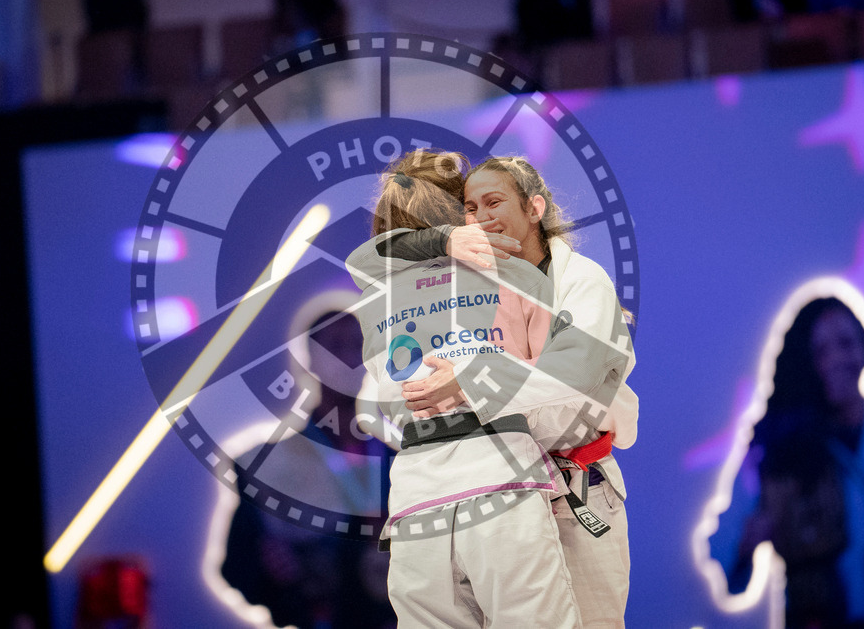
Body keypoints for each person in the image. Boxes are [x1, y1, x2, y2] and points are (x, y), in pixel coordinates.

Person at [348, 150, 638, 627]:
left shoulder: (580, 278)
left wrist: (466, 383)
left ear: (535, 208)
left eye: (493, 202)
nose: (481, 218)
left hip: (564, 480)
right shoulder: (497, 280)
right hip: (504, 476)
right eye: (470, 208)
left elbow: (578, 373)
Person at [218, 303, 397, 629]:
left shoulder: (400, 463)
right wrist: (272, 574)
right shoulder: (271, 468)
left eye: (357, 346)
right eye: (335, 346)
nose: (348, 358)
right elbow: (237, 566)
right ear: (311, 362)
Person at [724, 296, 864, 628]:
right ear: (806, 363)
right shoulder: (777, 450)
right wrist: (746, 544)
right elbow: (725, 561)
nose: (835, 359)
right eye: (820, 351)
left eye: (845, 343)